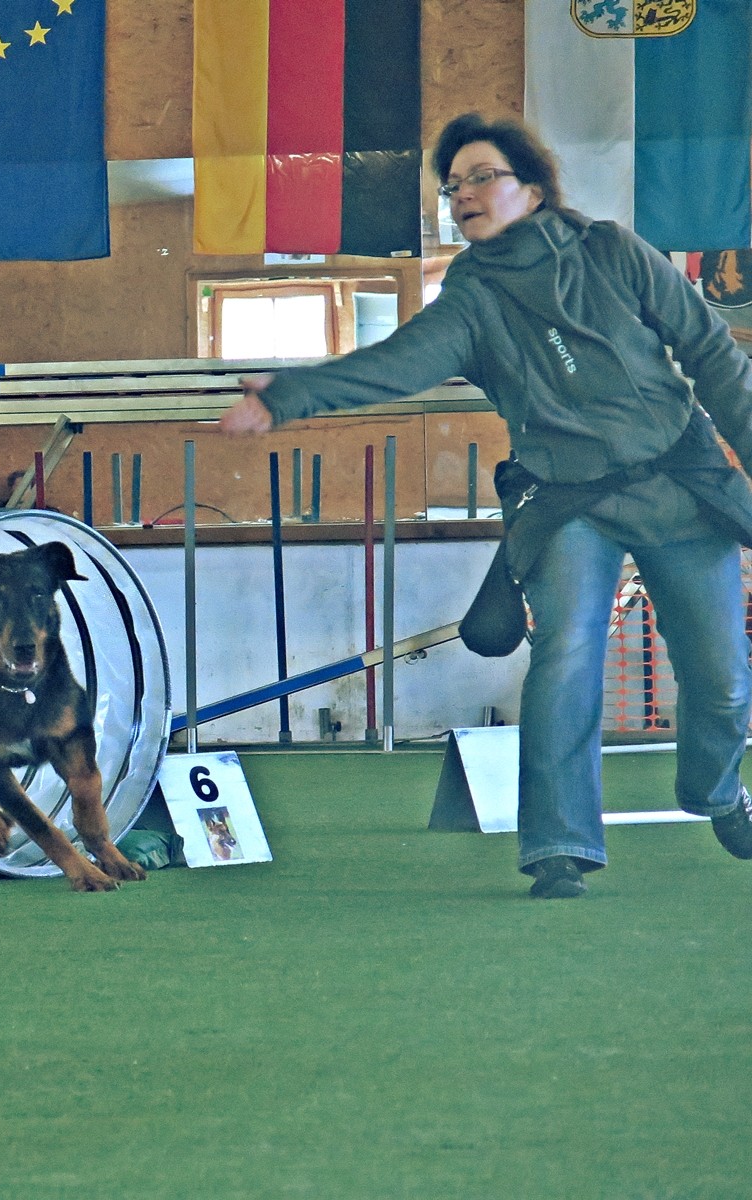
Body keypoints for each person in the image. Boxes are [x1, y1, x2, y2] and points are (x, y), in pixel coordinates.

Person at [216, 111, 752, 899]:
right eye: (452, 186)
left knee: (722, 677)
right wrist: (289, 395)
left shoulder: (612, 250)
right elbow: (398, 364)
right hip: (567, 500)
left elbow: (709, 349)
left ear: (532, 189)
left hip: (679, 479)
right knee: (567, 657)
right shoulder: (469, 297)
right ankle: (559, 848)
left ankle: (715, 791)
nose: (462, 194)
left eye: (480, 177)